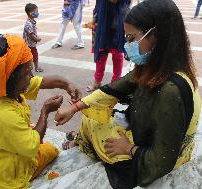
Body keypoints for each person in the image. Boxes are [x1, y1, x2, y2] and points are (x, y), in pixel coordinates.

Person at [54, 0, 201, 188]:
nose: (127, 44)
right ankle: (84, 141)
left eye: (132, 38)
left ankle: (85, 144)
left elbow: (162, 161)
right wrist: (75, 107)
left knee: (95, 127)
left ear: (155, 35)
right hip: (148, 139)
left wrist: (129, 148)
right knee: (90, 116)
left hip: (153, 160)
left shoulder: (171, 90)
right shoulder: (157, 65)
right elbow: (116, 88)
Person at [0, 34, 82, 189]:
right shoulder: (2, 114)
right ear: (12, 77)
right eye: (28, 72)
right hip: (1, 178)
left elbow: (40, 82)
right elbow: (32, 147)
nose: (32, 76)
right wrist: (45, 111)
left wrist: (66, 84)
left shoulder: (3, 85)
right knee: (51, 150)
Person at [86, 0, 131, 92]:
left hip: (119, 22)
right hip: (102, 21)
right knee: (101, 53)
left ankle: (115, 83)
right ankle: (97, 82)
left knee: (117, 54)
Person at [23, 3, 43, 72]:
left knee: (30, 56)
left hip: (31, 44)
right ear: (31, 13)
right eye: (36, 11)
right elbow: (31, 35)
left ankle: (30, 68)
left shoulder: (32, 22)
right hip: (29, 44)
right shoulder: (28, 24)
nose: (38, 13)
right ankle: (36, 68)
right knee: (34, 55)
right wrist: (37, 39)